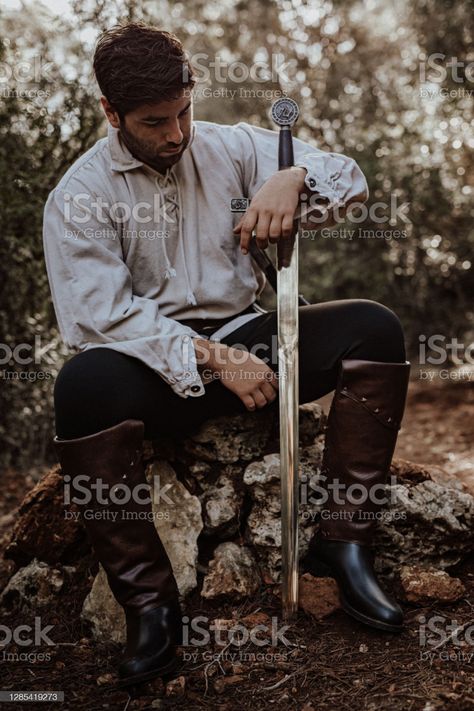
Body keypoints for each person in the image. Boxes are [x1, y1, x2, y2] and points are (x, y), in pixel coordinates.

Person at [42, 22, 410, 687]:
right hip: (153, 371)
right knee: (83, 383)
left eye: (184, 111)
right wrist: (213, 357)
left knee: (374, 327)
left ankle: (345, 543)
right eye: (156, 122)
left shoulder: (232, 147)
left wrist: (290, 177)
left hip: (260, 347)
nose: (177, 134)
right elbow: (101, 316)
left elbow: (349, 184)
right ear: (111, 112)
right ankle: (151, 607)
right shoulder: (78, 196)